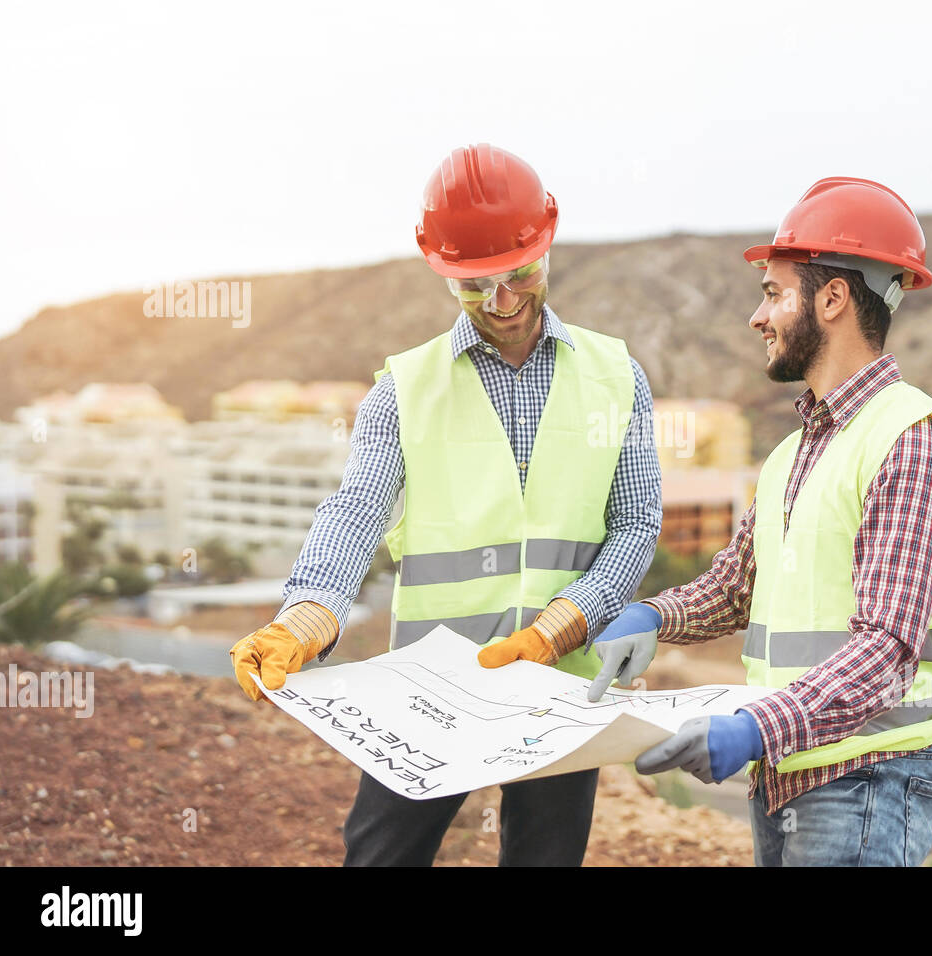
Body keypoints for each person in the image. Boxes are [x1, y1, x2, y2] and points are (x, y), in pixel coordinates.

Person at [228, 143, 662, 867]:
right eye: (474, 286)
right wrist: (307, 614)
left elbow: (637, 524)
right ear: (444, 275)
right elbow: (356, 510)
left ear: (547, 243)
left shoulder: (618, 377)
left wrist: (560, 626)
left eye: (518, 274)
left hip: (558, 683)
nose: (501, 302)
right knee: (381, 858)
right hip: (428, 689)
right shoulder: (404, 388)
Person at [589, 177, 932, 866]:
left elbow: (887, 652)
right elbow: (733, 589)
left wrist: (752, 727)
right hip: (786, 772)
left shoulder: (913, 442)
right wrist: (654, 617)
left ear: (832, 299)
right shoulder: (793, 453)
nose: (758, 316)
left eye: (774, 292)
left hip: (864, 782)